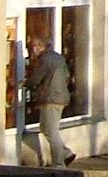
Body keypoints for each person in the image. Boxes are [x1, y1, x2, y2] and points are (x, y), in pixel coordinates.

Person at [26, 33, 76, 167]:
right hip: (60, 97)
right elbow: (67, 76)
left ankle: (59, 164)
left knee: (51, 131)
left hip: (51, 98)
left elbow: (36, 79)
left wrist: (26, 84)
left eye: (32, 47)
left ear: (39, 46)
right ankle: (66, 154)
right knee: (45, 128)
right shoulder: (58, 57)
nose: (32, 50)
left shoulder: (45, 59)